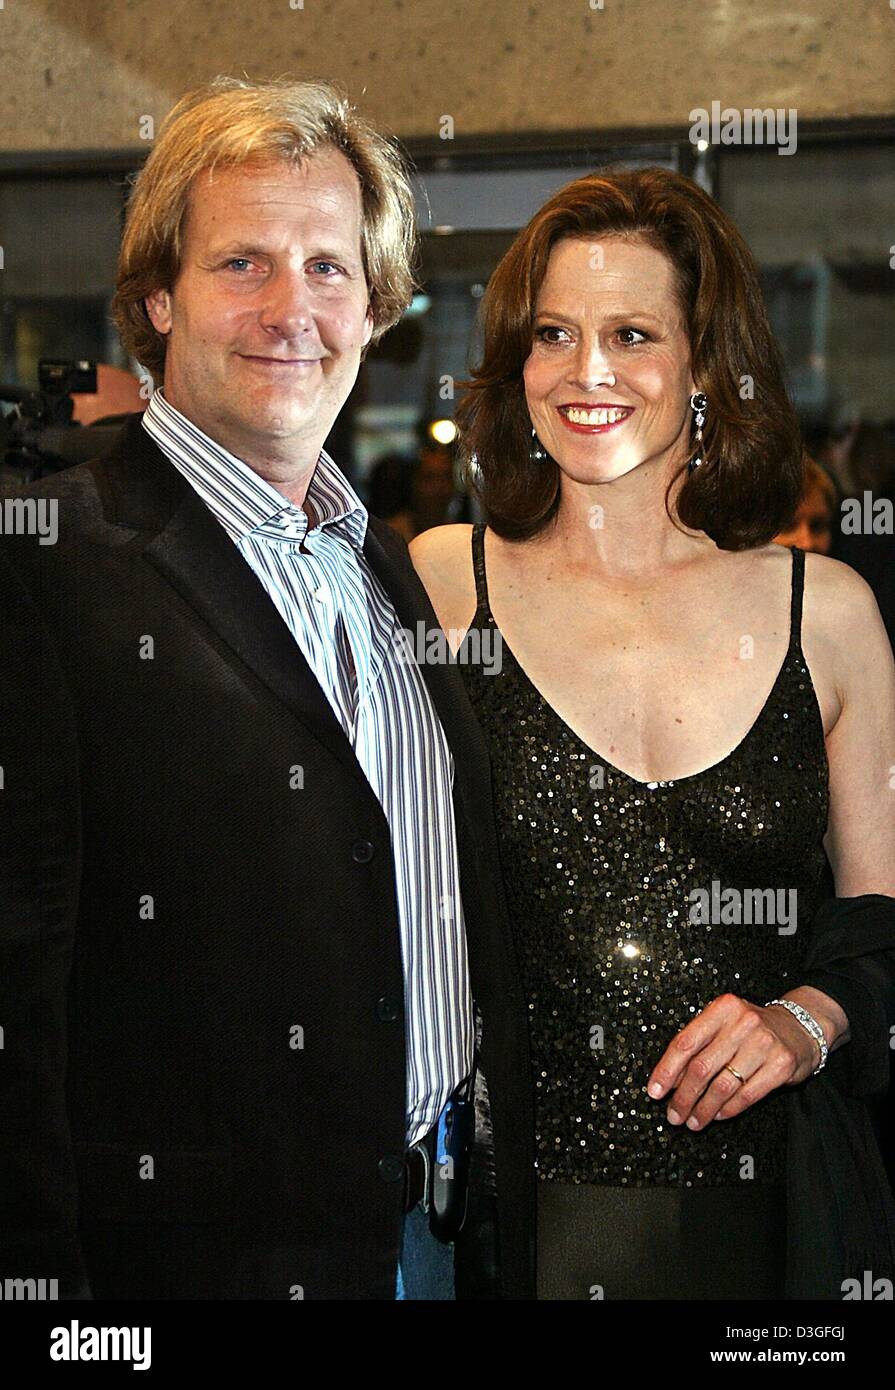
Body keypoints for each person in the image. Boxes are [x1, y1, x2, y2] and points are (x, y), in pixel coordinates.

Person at [0, 75, 536, 1301]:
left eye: (328, 266)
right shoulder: (42, 562)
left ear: (377, 303)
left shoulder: (381, 562)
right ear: (156, 298)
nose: (292, 307)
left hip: (437, 1240)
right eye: (242, 263)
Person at [410, 167, 895, 1299]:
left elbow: (882, 927)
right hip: (513, 1226)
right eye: (552, 334)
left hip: (780, 1223)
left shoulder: (823, 613)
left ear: (705, 368)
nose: (586, 372)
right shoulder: (441, 587)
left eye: (630, 333)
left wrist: (804, 1021)